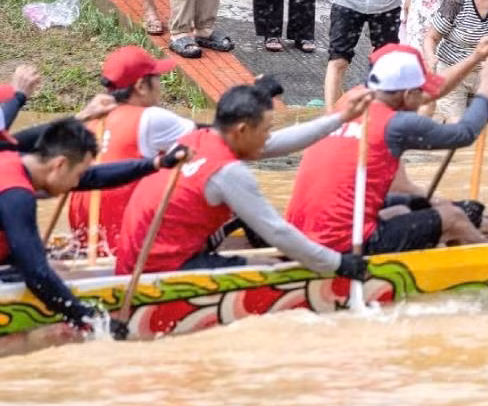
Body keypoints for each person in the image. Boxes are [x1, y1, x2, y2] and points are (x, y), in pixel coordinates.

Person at [114, 81, 377, 278]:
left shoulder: (194, 140)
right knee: (275, 269)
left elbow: (279, 143)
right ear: (241, 130)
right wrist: (338, 264)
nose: (268, 138)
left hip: (133, 258)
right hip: (159, 270)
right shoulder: (228, 172)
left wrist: (340, 119)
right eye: (266, 130)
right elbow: (277, 231)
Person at [288, 42, 488, 255]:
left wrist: (476, 57)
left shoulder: (352, 101)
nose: (425, 99)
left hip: (299, 236)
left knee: (407, 208)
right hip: (343, 244)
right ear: (408, 94)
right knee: (453, 218)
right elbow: (463, 135)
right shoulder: (397, 124)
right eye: (420, 94)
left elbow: (432, 90)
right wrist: (485, 92)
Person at [2, 118, 185, 337]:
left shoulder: (11, 159)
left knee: (54, 266)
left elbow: (94, 177)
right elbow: (37, 275)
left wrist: (157, 163)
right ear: (59, 164)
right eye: (78, 174)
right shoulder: (16, 194)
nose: (76, 183)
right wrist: (91, 320)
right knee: (47, 270)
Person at [62, 46, 195, 251]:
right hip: (126, 241)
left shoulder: (89, 121)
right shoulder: (150, 117)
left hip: (87, 241)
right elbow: (211, 138)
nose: (160, 85)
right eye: (157, 77)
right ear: (141, 85)